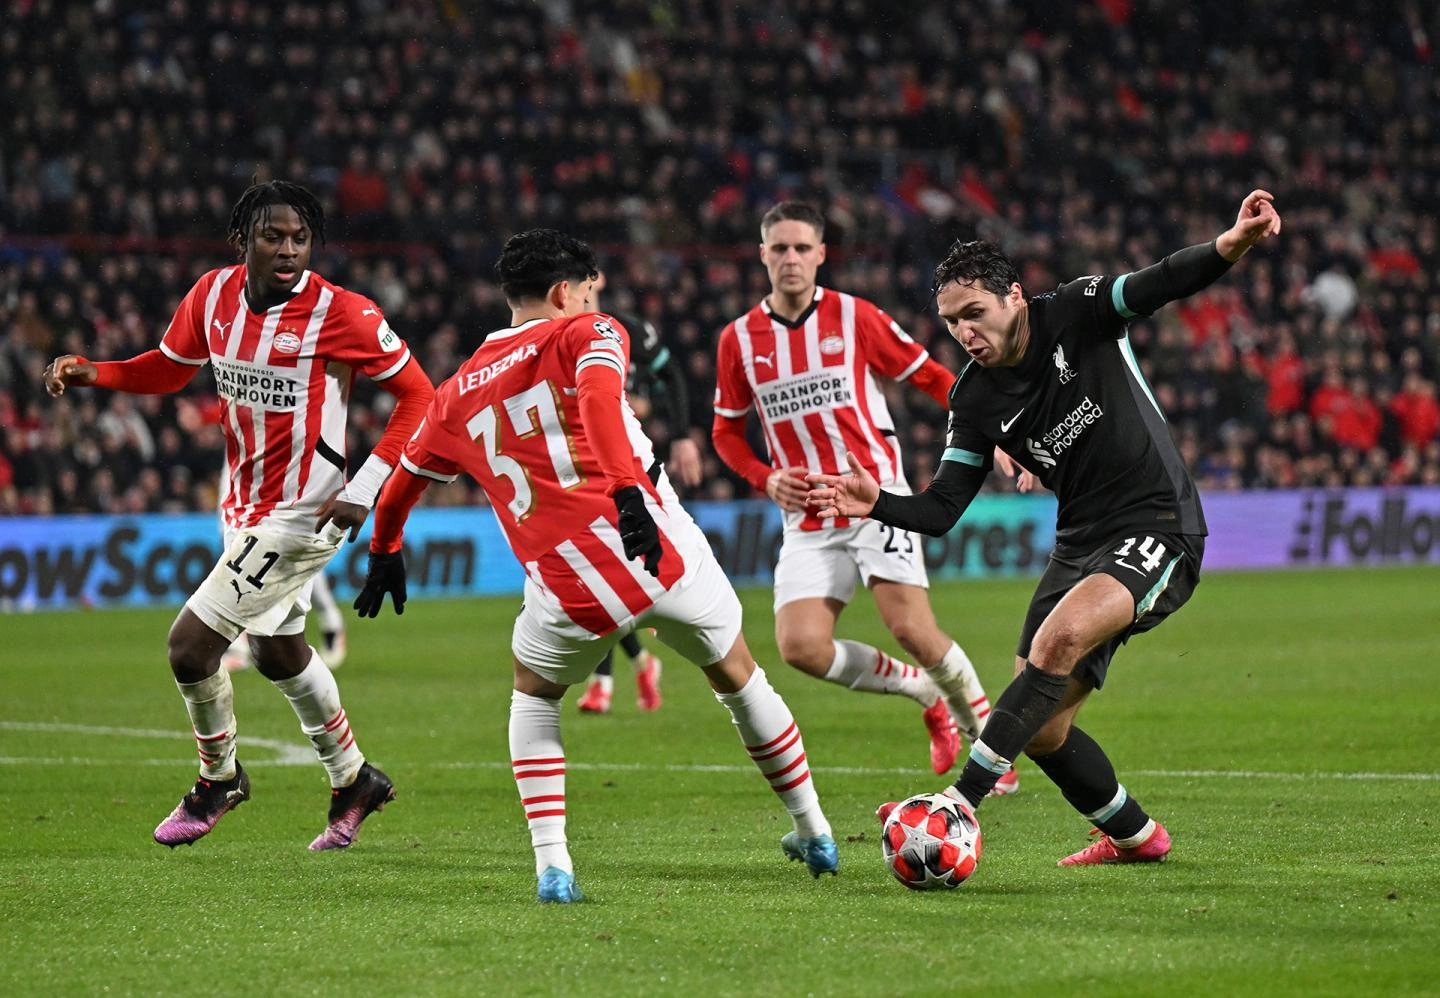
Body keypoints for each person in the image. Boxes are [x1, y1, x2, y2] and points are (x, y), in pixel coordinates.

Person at [353, 229, 836, 902]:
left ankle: (555, 867)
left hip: (567, 591)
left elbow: (401, 483)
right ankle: (813, 829)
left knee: (534, 693)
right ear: (563, 292)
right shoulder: (588, 332)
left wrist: (384, 549)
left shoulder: (455, 394)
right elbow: (603, 401)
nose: (591, 300)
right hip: (659, 554)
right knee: (736, 673)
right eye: (585, 291)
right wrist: (628, 490)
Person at [808, 190, 1282, 866]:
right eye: (952, 322)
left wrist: (1229, 246)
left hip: (1158, 524)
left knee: (1055, 643)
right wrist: (875, 501)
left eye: (976, 313)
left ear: (1016, 299)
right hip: (1079, 544)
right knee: (1044, 727)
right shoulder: (971, 399)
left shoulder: (1079, 311)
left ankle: (960, 800)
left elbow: (1159, 282)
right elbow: (942, 509)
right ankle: (1137, 837)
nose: (966, 333)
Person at [42, 180, 435, 850]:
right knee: (280, 653)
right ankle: (354, 778)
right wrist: (95, 374)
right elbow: (169, 369)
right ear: (242, 240)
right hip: (243, 507)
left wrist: (364, 487)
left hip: (303, 515)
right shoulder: (213, 296)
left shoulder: (344, 314)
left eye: (300, 238)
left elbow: (421, 396)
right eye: (272, 236)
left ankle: (217, 779)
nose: (288, 250)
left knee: (190, 647)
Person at [712, 201, 1024, 784]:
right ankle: (924, 693)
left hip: (874, 493)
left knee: (913, 630)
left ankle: (990, 745)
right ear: (762, 254)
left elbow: (932, 376)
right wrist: (764, 476)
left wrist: (997, 431)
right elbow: (726, 432)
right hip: (807, 514)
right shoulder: (738, 340)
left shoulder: (856, 317)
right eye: (779, 248)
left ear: (822, 254)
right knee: (800, 647)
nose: (791, 259)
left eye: (802, 248)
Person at [574, 273, 699, 714]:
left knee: (607, 576)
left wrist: (680, 434)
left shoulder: (624, 330)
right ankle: (638, 666)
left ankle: (603, 684)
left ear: (598, 281)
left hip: (628, 472)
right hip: (577, 474)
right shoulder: (553, 338)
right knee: (602, 578)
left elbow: (671, 377)